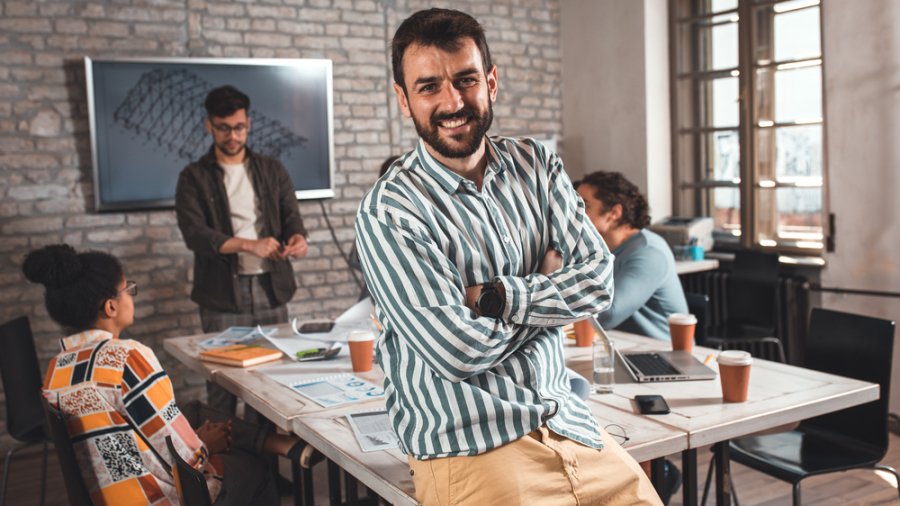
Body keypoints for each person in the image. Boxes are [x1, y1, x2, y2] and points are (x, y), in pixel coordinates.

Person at [354, 8, 661, 505]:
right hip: (473, 450)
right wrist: (550, 290)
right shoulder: (389, 211)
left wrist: (496, 297)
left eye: (465, 80)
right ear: (403, 100)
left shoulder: (537, 164)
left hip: (571, 424)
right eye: (429, 86)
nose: (452, 101)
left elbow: (599, 281)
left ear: (491, 82)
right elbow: (458, 352)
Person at [25, 244, 306, 505]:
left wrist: (198, 438)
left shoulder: (57, 369)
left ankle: (280, 444)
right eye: (128, 289)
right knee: (254, 468)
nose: (131, 296)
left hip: (111, 491)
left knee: (193, 410)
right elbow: (187, 460)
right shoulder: (126, 357)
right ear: (110, 306)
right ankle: (276, 447)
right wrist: (207, 443)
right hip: (160, 496)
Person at [175, 85, 308, 412]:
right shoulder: (193, 176)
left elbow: (291, 215)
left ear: (248, 123)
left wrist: (298, 239)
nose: (232, 136)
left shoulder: (271, 169)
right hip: (221, 293)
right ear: (209, 126)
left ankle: (264, 457)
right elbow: (195, 234)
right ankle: (223, 460)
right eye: (223, 128)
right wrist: (250, 245)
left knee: (272, 381)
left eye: (239, 127)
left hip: (270, 286)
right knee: (222, 382)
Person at [575, 171, 688, 342]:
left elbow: (607, 314)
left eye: (584, 205)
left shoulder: (649, 252)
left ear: (614, 213)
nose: (575, 212)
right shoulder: (599, 249)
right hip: (623, 346)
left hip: (661, 356)